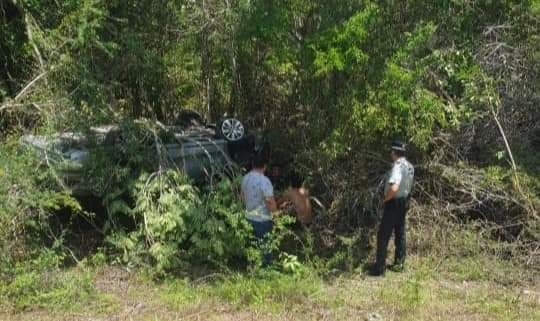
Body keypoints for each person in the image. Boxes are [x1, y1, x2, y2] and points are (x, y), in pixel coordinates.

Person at [369, 140, 414, 276]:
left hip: (393, 203)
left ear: (394, 152)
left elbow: (394, 187)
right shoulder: (410, 166)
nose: (390, 154)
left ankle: (379, 269)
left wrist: (385, 199)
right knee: (400, 233)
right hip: (404, 202)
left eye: (391, 151)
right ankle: (399, 264)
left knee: (383, 234)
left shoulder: (398, 166)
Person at [241, 153, 277, 266]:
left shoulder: (245, 178)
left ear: (252, 164)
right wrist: (276, 215)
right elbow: (269, 201)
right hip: (263, 220)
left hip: (248, 218)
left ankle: (252, 267)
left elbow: (242, 197)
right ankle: (266, 270)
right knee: (266, 248)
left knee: (252, 247)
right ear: (265, 166)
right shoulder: (264, 181)